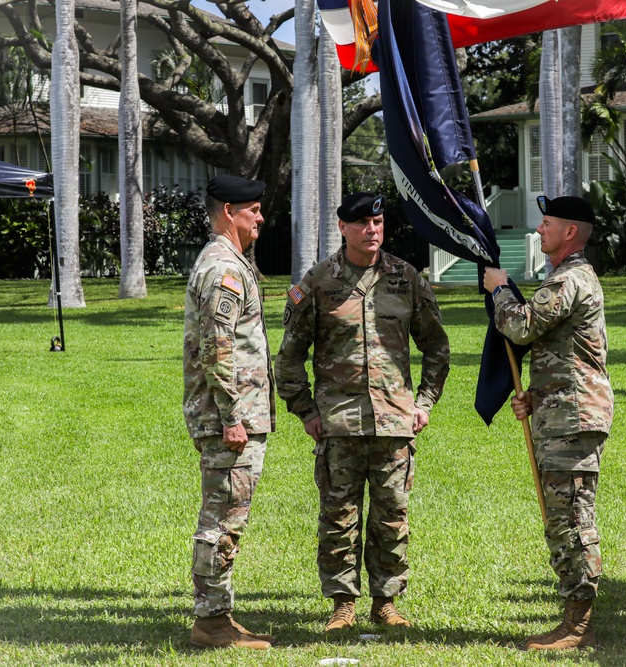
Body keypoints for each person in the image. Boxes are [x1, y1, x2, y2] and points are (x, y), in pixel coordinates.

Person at [274, 192, 450, 632]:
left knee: (392, 515)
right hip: (338, 423)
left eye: (378, 222)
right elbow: (290, 357)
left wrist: (423, 403)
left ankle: (386, 603)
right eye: (363, 224)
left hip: (394, 422)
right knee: (339, 517)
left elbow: (437, 347)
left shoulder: (406, 279)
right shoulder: (318, 283)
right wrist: (306, 411)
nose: (373, 231)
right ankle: (342, 605)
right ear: (343, 228)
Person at [483, 195, 614, 651]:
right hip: (561, 413)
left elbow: (521, 327)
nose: (540, 230)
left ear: (570, 232)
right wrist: (537, 397)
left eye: (547, 223)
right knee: (562, 517)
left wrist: (500, 288)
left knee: (574, 519)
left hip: (574, 419)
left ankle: (580, 624)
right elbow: (570, 356)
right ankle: (573, 618)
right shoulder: (563, 278)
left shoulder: (571, 279)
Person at [183, 175, 276, 651]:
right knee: (222, 519)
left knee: (226, 515)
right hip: (230, 419)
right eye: (253, 210)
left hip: (233, 414)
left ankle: (220, 615)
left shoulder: (229, 261)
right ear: (228, 213)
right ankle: (211, 621)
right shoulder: (225, 269)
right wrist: (232, 415)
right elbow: (217, 348)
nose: (260, 217)